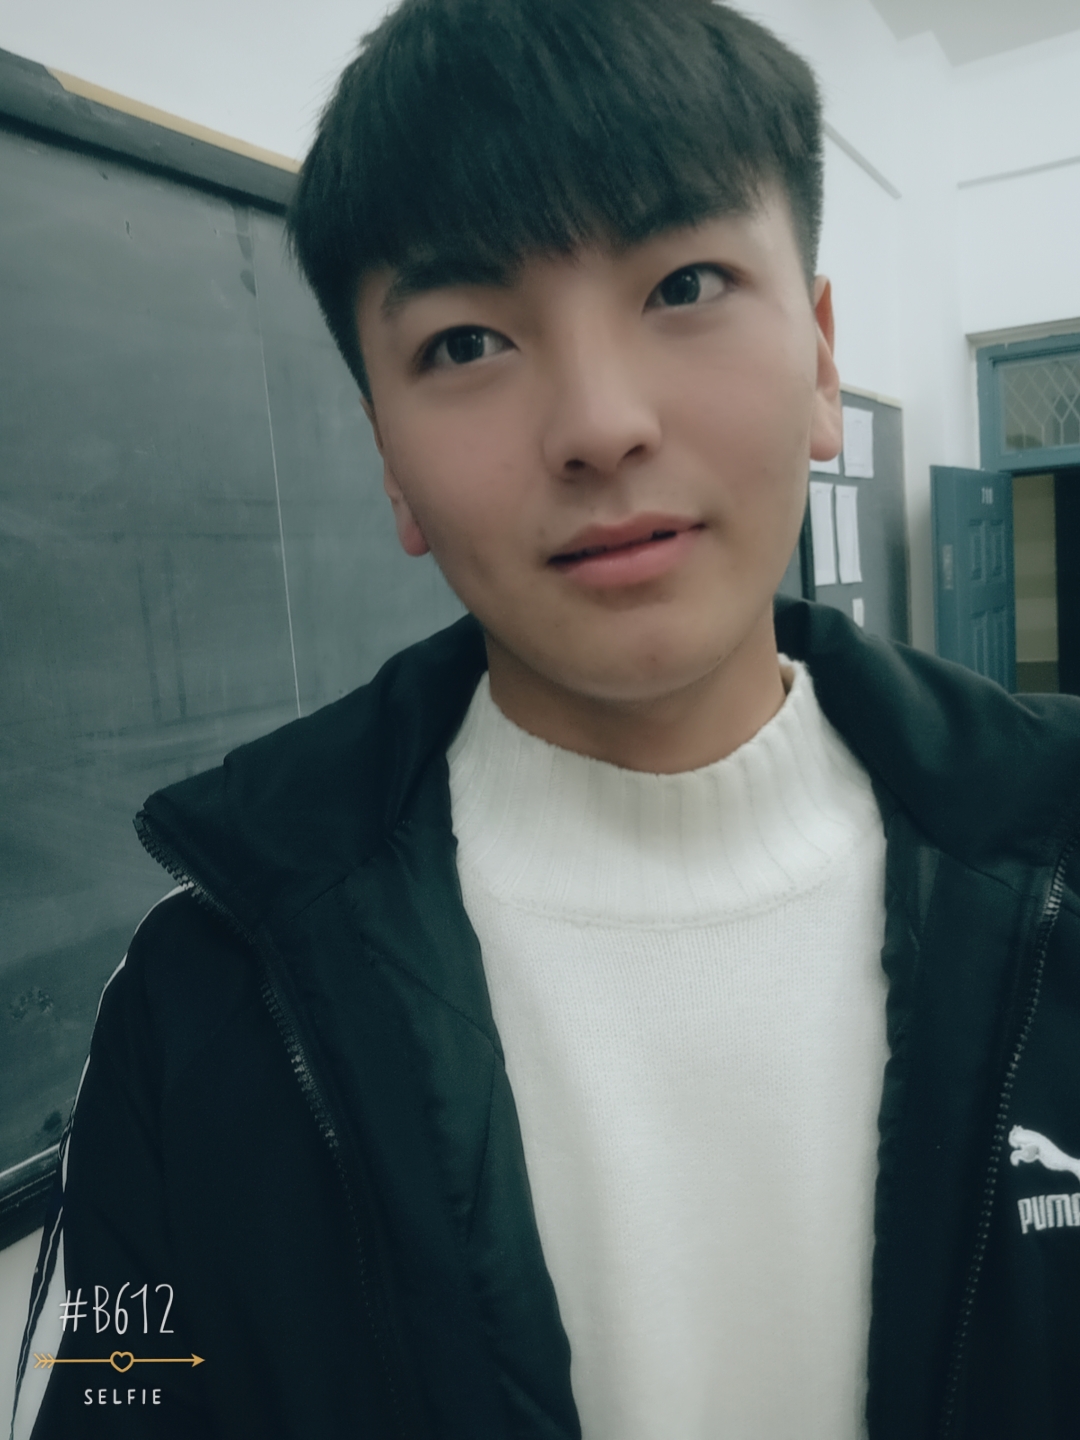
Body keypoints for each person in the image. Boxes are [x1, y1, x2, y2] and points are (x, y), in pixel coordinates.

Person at [12, 0, 1080, 1435]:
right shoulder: (203, 999)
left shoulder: (1058, 870)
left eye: (685, 282)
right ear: (390, 462)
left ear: (824, 362)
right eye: (465, 343)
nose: (598, 421)